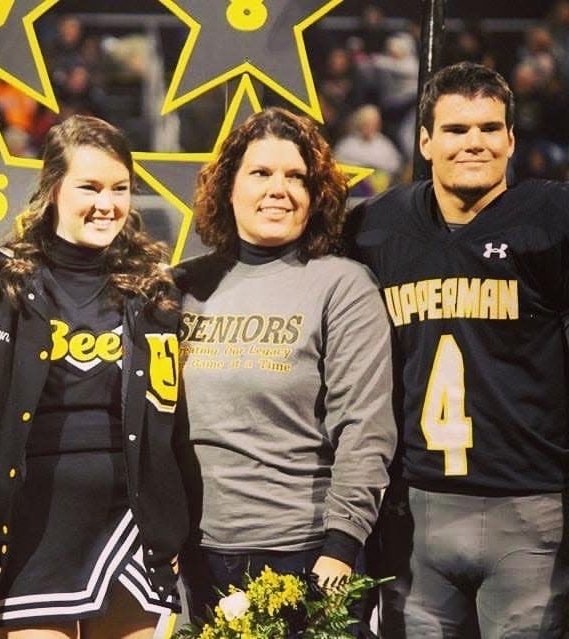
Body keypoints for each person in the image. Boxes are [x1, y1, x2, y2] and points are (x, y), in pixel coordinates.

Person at [350, 62, 569, 638]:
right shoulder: (377, 231)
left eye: (488, 127)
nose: (473, 142)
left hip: (531, 516)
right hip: (414, 516)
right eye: (455, 129)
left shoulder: (561, 225)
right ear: (424, 141)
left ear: (510, 139)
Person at [173, 107, 397, 622]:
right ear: (228, 188)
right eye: (261, 173)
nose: (279, 189)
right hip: (203, 556)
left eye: (296, 176)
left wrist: (341, 544)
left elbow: (364, 427)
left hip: (309, 553)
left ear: (316, 194)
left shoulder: (342, 285)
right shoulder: (183, 286)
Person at [0, 115, 188, 638]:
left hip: (131, 522)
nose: (106, 204)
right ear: (51, 190)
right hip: (33, 524)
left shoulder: (152, 293)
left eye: (120, 189)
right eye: (89, 186)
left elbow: (173, 424)